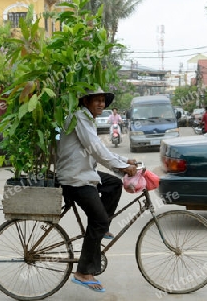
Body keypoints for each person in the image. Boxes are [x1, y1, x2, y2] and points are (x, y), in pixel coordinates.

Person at [56, 87, 137, 293]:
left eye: (103, 100)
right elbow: (96, 149)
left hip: (84, 174)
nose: (101, 104)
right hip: (75, 179)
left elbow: (102, 149)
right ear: (86, 101)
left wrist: (124, 160)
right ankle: (83, 272)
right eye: (97, 100)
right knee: (99, 221)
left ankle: (101, 229)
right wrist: (121, 167)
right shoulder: (80, 118)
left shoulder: (86, 118)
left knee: (113, 184)